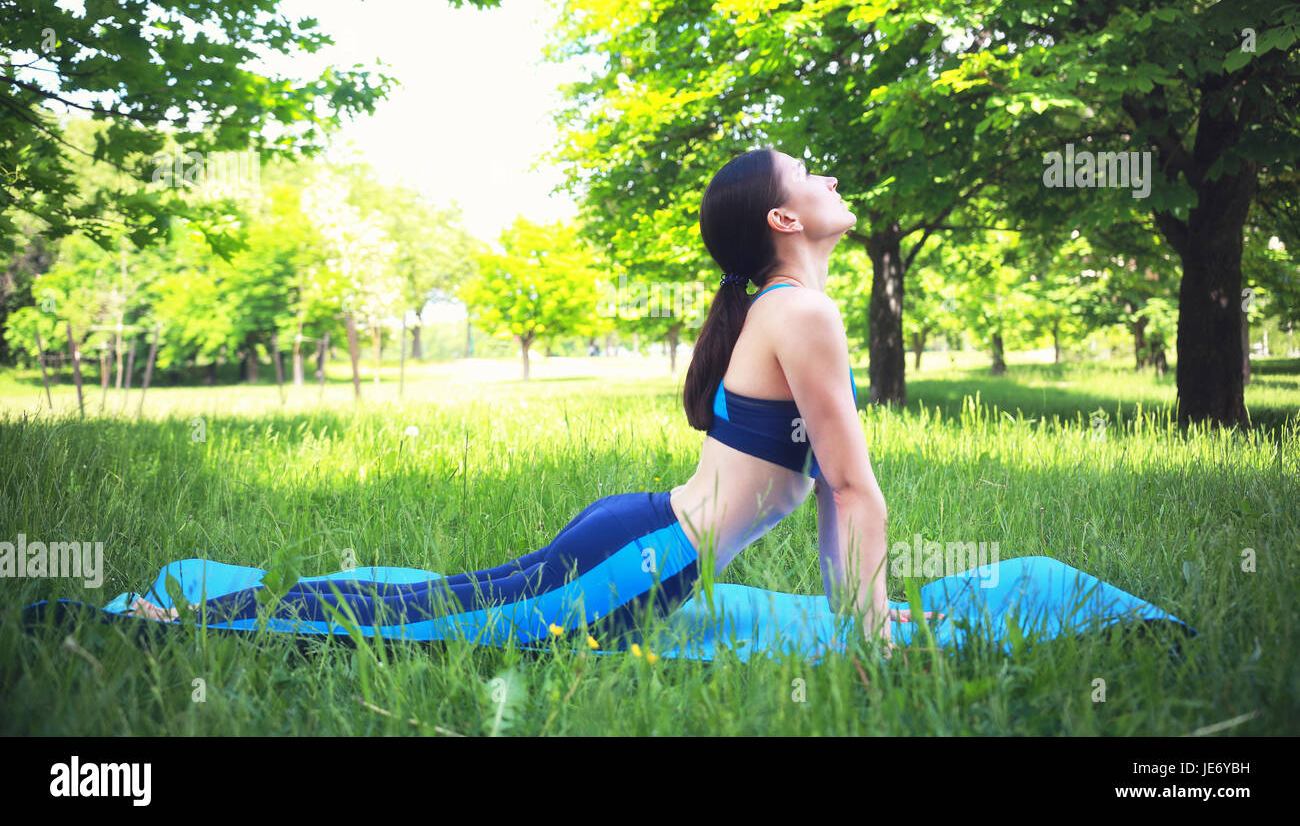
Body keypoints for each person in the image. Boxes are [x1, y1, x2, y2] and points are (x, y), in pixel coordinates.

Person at [130, 147, 936, 652]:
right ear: (784, 216)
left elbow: (841, 492)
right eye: (808, 172)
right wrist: (867, 629)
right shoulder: (801, 310)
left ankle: (219, 607)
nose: (828, 174)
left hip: (638, 535)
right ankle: (190, 623)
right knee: (437, 621)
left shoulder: (789, 309)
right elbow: (852, 489)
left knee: (447, 603)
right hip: (640, 559)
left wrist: (858, 619)